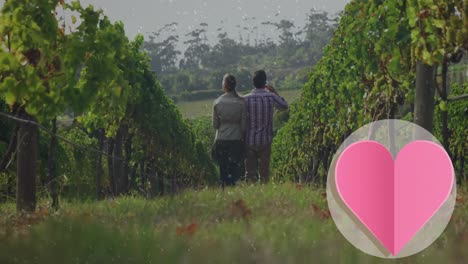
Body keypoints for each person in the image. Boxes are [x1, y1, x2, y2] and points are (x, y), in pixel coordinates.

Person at [244, 70, 288, 183]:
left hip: (250, 140)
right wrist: (275, 92)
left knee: (250, 173)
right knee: (264, 173)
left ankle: (250, 196)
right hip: (265, 140)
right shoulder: (271, 96)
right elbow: (284, 106)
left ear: (253, 82)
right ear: (265, 82)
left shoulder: (246, 99)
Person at [212, 74, 247, 189]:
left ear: (224, 85)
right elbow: (243, 126)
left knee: (223, 167)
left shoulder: (217, 102)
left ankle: (223, 189)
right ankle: (232, 189)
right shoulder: (241, 103)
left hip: (221, 139)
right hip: (236, 139)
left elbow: (215, 125)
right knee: (233, 167)